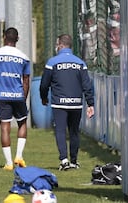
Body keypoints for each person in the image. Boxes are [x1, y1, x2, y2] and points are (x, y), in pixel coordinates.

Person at [39, 34, 95, 171]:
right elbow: (87, 84)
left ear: (61, 45)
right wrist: (90, 103)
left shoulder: (52, 62)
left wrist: (44, 97)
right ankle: (74, 161)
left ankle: (64, 160)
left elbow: (44, 84)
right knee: (74, 132)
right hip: (76, 103)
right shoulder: (80, 63)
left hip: (59, 103)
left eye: (57, 44)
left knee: (60, 131)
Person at [0, 27, 30, 171]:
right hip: (18, 95)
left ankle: (9, 163)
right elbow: (26, 80)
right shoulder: (23, 57)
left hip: (2, 95)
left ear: (4, 37)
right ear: (17, 39)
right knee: (22, 123)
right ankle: (19, 156)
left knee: (5, 127)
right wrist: (23, 97)